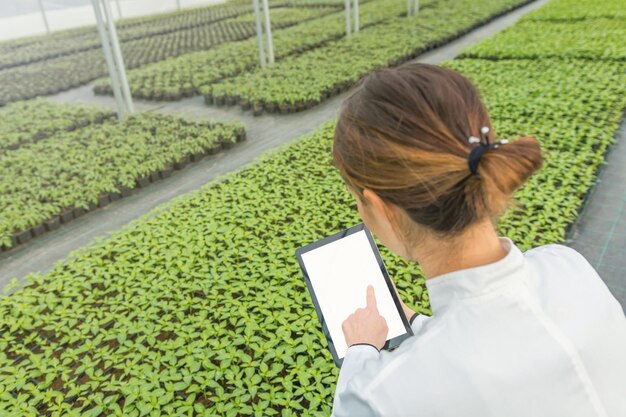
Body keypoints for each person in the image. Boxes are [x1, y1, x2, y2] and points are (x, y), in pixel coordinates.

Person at [330, 63, 626, 417]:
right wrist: (420, 324)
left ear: (379, 207)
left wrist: (362, 349)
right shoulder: (568, 268)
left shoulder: (382, 397)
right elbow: (497, 335)